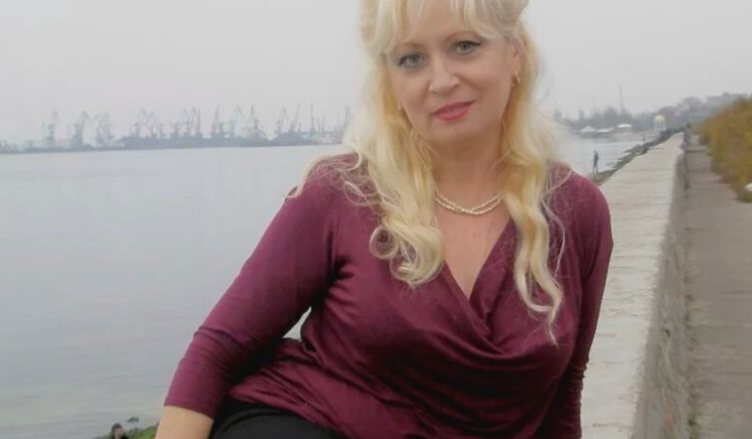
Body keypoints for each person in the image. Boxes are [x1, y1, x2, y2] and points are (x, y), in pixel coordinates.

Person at [156, 1, 613, 438]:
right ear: (391, 81)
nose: (441, 80)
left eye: (465, 46)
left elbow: (563, 392)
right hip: (301, 423)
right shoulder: (341, 193)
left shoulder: (576, 212)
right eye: (411, 59)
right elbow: (217, 350)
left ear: (515, 52)